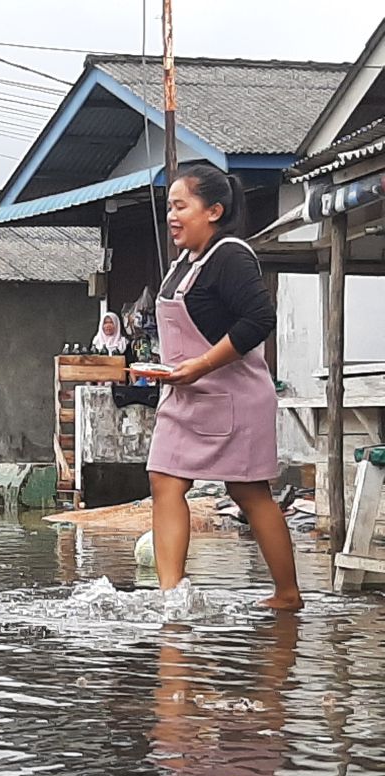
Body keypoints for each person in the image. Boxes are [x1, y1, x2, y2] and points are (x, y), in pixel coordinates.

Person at [146, 164, 303, 610]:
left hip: (234, 396)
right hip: (185, 392)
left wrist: (200, 364)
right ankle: (171, 595)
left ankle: (287, 595)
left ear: (213, 210)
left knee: (249, 492)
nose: (172, 216)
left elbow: (259, 320)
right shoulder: (182, 263)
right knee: (164, 480)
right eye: (170, 206)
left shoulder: (230, 255)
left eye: (181, 206)